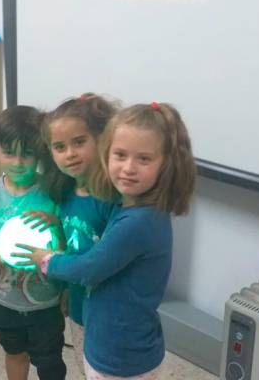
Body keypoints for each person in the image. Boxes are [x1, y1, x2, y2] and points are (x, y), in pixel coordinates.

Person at [16, 102, 197, 379]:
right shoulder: (134, 210)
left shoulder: (137, 222)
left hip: (121, 352)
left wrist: (47, 261)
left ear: (166, 164)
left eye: (144, 159)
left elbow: (90, 267)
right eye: (120, 155)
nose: (128, 168)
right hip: (112, 333)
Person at [0, 105, 67, 380]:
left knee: (50, 360)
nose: (18, 162)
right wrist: (3, 255)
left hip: (45, 302)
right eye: (9, 152)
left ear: (40, 153)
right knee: (14, 353)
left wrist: (55, 228)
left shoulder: (52, 192)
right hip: (4, 300)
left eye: (28, 154)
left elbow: (63, 246)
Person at [28, 93, 119, 372]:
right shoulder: (65, 193)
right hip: (79, 302)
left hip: (109, 307)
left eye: (79, 142)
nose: (70, 154)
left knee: (107, 368)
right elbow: (75, 244)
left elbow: (110, 258)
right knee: (85, 365)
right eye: (59, 147)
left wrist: (49, 261)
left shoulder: (113, 198)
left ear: (101, 139)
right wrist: (56, 224)